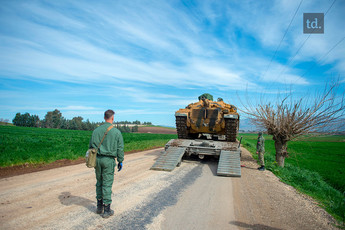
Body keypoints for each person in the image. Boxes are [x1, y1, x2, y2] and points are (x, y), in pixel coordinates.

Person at [89, 109, 124, 218]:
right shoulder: (116, 132)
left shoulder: (96, 131)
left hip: (98, 160)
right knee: (107, 184)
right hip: (109, 160)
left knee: (99, 182)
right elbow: (120, 148)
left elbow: (91, 146)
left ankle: (99, 207)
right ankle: (107, 210)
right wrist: (120, 161)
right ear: (112, 118)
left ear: (104, 117)